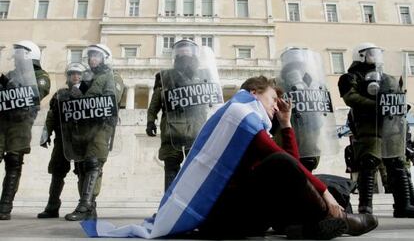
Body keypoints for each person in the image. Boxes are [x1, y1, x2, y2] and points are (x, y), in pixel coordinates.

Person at [82, 76, 378, 239]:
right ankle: (333, 221)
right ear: (253, 92)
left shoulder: (255, 120)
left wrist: (286, 124)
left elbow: (293, 166)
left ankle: (305, 227)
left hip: (248, 215)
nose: (277, 106)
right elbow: (284, 161)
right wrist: (326, 198)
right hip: (224, 218)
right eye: (273, 99)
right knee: (286, 168)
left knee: (314, 177)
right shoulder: (239, 115)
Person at [338, 42, 414, 217]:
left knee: (396, 163)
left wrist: (400, 105)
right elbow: (351, 98)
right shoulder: (351, 77)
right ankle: (366, 207)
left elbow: (396, 95)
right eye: (371, 53)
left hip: (390, 125)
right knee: (368, 162)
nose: (375, 56)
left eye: (377, 53)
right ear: (361, 55)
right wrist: (377, 105)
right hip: (367, 125)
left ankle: (404, 205)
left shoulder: (386, 77)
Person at [146, 39, 219, 191]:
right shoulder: (164, 76)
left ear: (194, 54)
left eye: (187, 50)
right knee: (171, 167)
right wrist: (150, 121)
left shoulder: (204, 74)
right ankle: (168, 205)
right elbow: (155, 102)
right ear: (175, 55)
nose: (184, 53)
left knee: (196, 168)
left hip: (197, 128)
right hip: (172, 129)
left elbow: (214, 101)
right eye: (181, 51)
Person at [64, 44, 124, 221]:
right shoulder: (86, 79)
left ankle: (83, 207)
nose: (92, 59)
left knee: (93, 163)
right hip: (82, 127)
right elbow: (74, 97)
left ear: (105, 58)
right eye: (90, 56)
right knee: (82, 167)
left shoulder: (112, 77)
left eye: (96, 56)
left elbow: (112, 100)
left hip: (100, 127)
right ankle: (90, 208)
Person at [0, 40, 50, 220]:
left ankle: (4, 206)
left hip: (21, 124)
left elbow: (39, 93)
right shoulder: (10, 74)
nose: (15, 59)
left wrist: (17, 87)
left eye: (19, 55)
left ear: (30, 55)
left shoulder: (41, 75)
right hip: (2, 122)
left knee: (14, 162)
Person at [37, 62, 90, 218]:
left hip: (81, 139)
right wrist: (46, 133)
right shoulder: (60, 94)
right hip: (63, 137)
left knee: (82, 172)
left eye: (79, 74)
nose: (75, 76)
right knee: (57, 171)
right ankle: (52, 206)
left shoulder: (89, 93)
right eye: (72, 73)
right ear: (68, 76)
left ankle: (84, 207)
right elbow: (52, 115)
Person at [278, 48, 337, 172]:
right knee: (292, 163)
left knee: (309, 161)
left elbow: (321, 107)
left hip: (310, 129)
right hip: (290, 128)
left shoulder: (313, 82)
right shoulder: (279, 83)